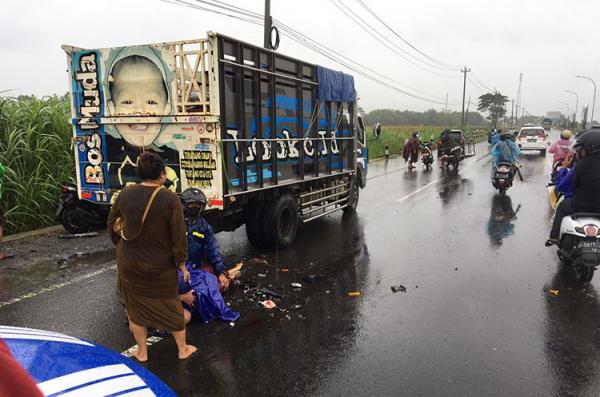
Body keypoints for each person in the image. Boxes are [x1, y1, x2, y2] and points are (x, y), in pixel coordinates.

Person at [107, 152, 196, 362]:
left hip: (130, 264)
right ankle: (182, 349)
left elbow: (112, 222)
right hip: (160, 266)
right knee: (170, 305)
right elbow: (178, 236)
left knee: (135, 308)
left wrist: (119, 243)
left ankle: (142, 352)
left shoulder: (125, 194)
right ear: (162, 175)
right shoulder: (169, 198)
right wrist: (181, 264)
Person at [177, 188, 241, 323]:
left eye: (197, 205)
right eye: (191, 204)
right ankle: (231, 275)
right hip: (178, 269)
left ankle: (229, 275)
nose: (194, 208)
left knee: (212, 282)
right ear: (184, 205)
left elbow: (213, 250)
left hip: (196, 269)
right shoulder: (175, 224)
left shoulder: (204, 227)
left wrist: (221, 272)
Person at [547, 130, 600, 245]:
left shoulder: (581, 164)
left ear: (591, 148)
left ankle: (553, 237)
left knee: (561, 207)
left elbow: (574, 185)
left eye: (582, 149)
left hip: (580, 204)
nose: (580, 152)